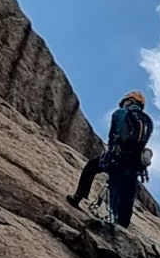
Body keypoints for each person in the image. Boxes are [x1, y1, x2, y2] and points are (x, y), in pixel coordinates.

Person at [66, 91, 154, 228]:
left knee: (91, 167)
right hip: (134, 163)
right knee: (127, 194)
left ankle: (78, 197)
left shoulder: (120, 113)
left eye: (126, 102)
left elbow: (113, 136)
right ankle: (123, 225)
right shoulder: (148, 121)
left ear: (130, 101)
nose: (124, 105)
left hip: (117, 157)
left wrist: (112, 151)